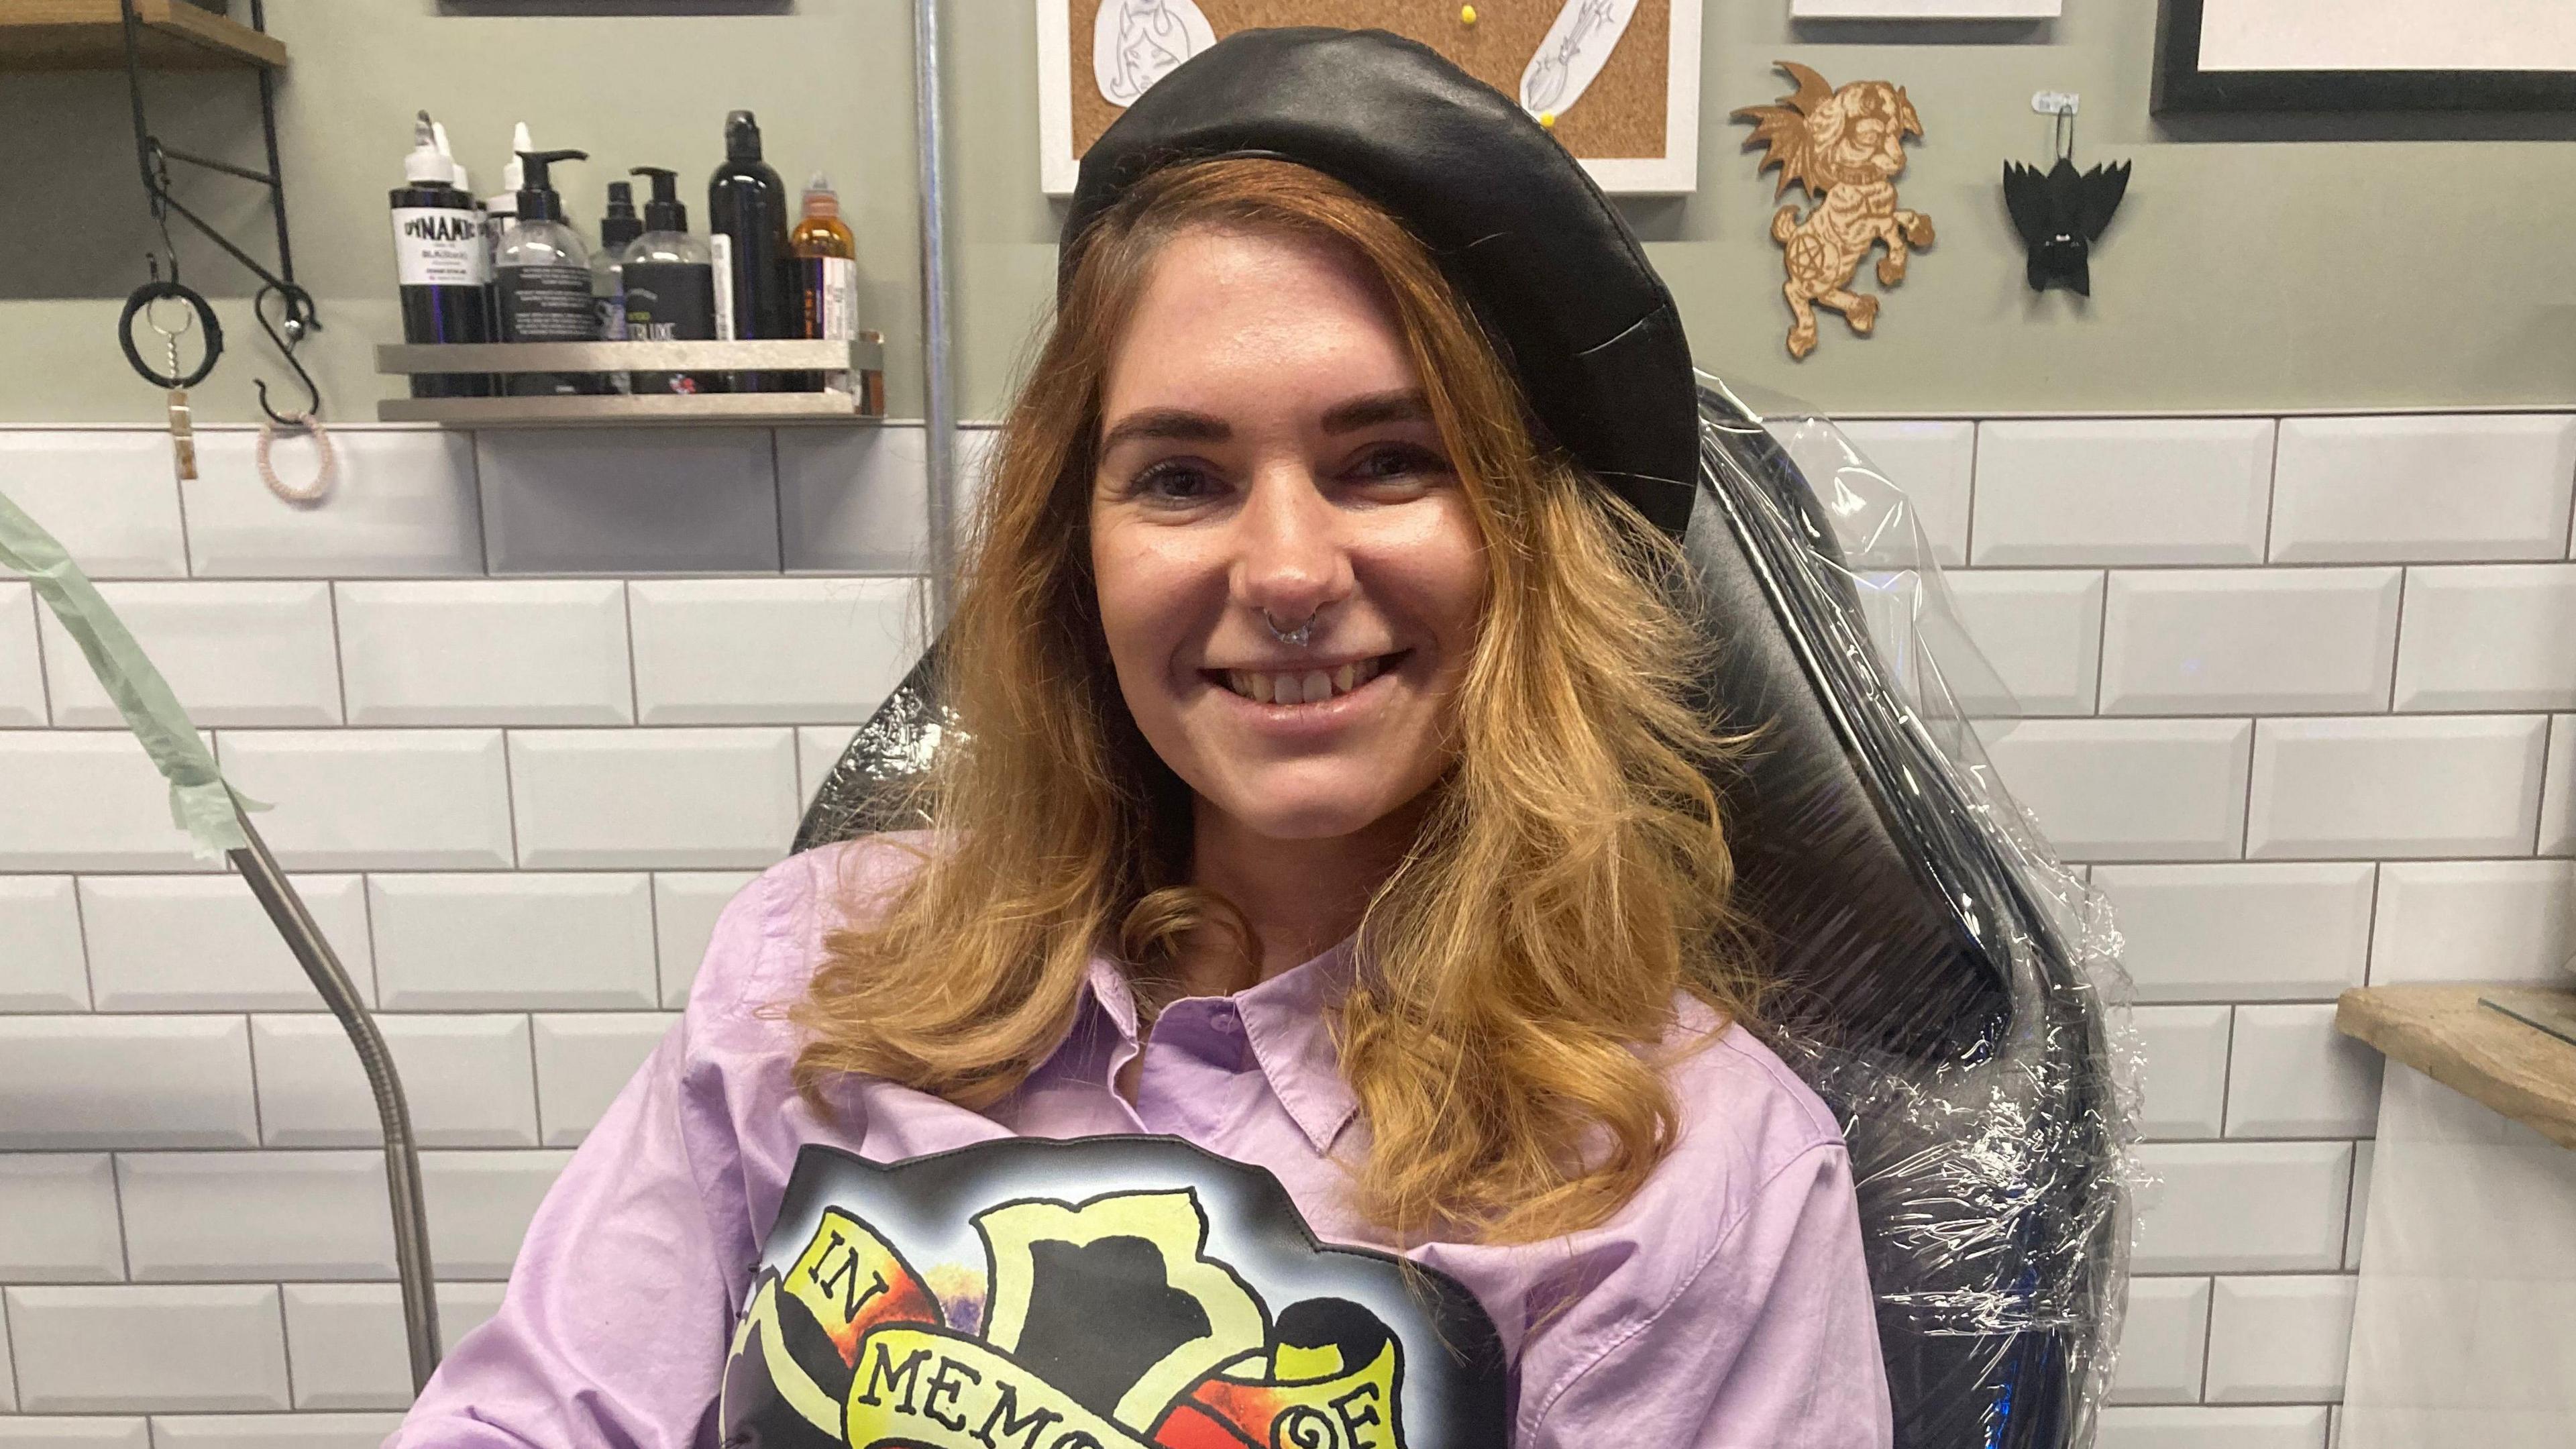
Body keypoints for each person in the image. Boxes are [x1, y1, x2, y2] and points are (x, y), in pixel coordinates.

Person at [388, 29, 1890, 1449]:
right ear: (1075, 558)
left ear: (1529, 546)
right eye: (1181, 477)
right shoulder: (813, 972)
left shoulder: (1696, 1173)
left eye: (1390, 462)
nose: (1289, 573)